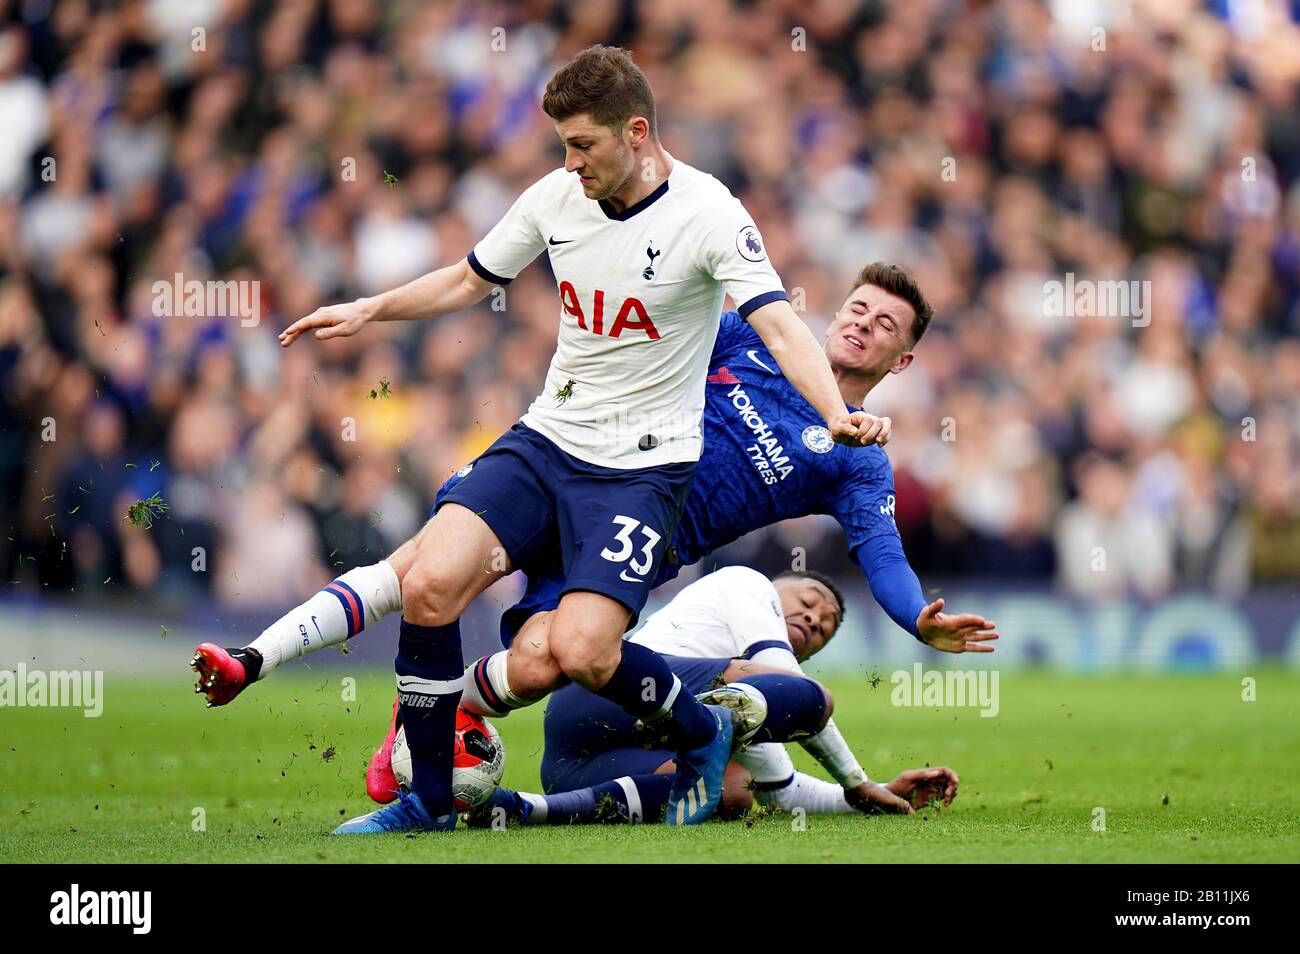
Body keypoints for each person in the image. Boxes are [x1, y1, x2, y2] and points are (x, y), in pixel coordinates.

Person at [192, 45, 880, 833]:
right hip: (548, 439)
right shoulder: (555, 198)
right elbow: (467, 278)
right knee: (427, 584)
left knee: (585, 652)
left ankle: (700, 729)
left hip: (641, 473)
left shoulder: (711, 214)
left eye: (583, 144)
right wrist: (369, 308)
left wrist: (832, 413)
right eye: (562, 145)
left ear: (637, 131)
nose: (570, 162)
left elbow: (782, 326)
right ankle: (429, 802)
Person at [462, 566, 961, 826]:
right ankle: (701, 723)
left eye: (825, 627)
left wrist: (875, 795)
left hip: (575, 766)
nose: (814, 619)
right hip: (600, 697)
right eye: (808, 604)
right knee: (812, 701)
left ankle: (526, 809)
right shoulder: (746, 584)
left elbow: (782, 790)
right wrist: (853, 778)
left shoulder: (754, 697)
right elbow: (801, 692)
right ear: (775, 592)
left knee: (738, 790)